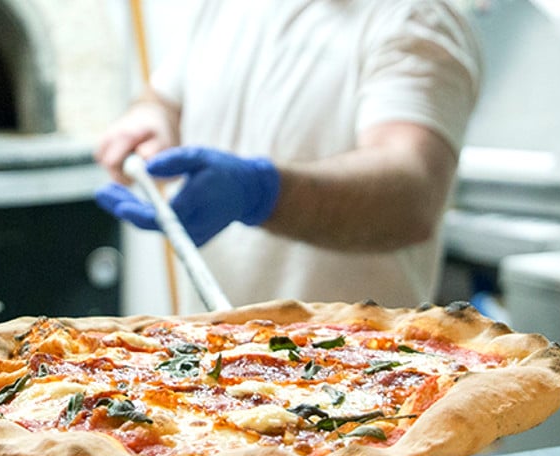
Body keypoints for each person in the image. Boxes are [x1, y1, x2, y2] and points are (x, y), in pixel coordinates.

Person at [95, 0, 482, 315]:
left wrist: (262, 191)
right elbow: (163, 98)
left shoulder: (417, 17)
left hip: (354, 378)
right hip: (209, 361)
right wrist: (149, 120)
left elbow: (412, 194)